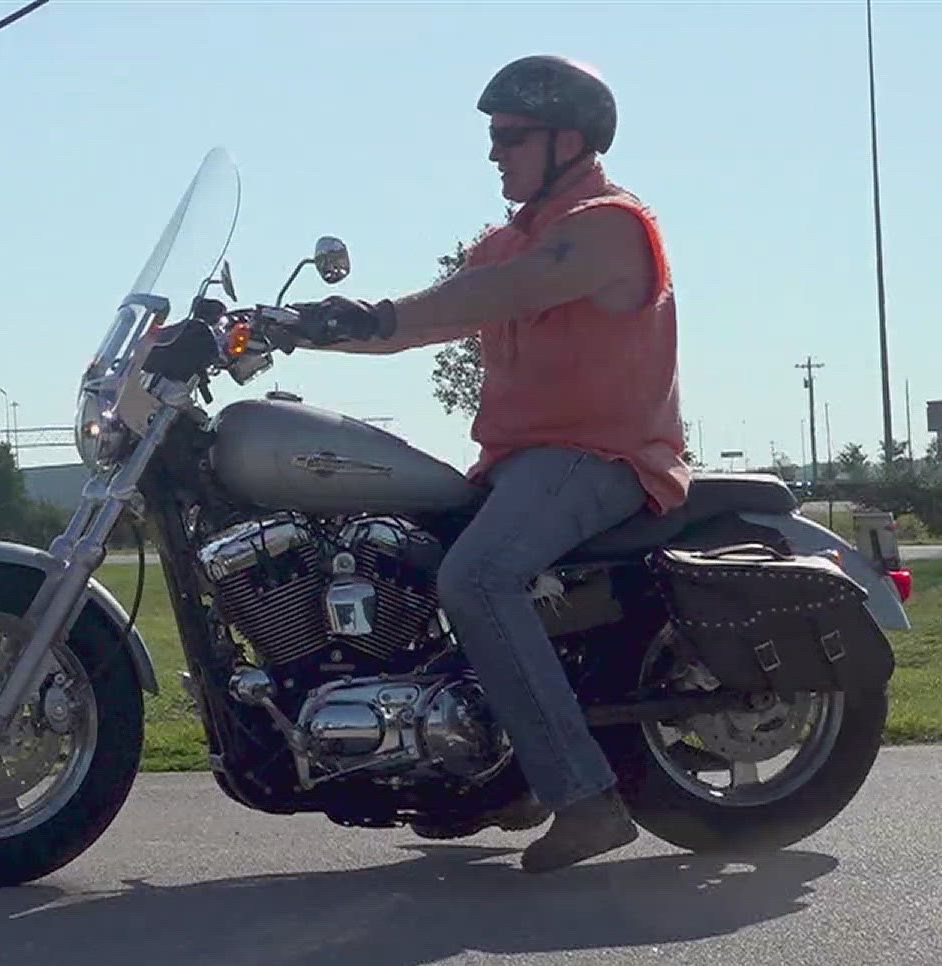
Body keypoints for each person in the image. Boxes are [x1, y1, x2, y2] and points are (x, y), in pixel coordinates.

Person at [289, 55, 690, 873]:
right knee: (401, 558)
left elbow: (482, 299)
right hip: (516, 466)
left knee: (476, 578)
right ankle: (495, 769)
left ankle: (584, 798)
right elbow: (425, 323)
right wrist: (295, 326)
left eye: (510, 137)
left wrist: (370, 313)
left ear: (567, 140)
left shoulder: (608, 226)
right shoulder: (507, 241)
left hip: (600, 458)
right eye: (494, 138)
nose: (494, 154)